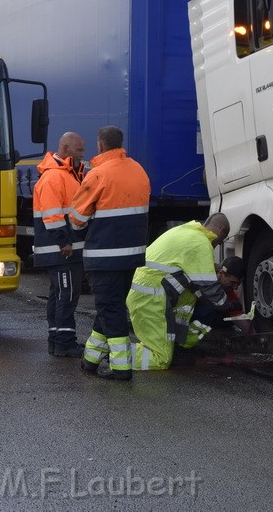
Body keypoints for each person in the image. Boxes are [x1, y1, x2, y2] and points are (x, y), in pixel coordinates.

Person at [70, 126, 150, 381]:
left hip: (104, 257)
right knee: (110, 307)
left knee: (111, 309)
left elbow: (77, 220)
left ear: (100, 145)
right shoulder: (139, 170)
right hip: (132, 256)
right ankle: (90, 360)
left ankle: (120, 368)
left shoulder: (98, 174)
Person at [126, 214, 234, 371]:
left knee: (164, 348)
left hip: (146, 294)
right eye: (222, 240)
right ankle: (118, 355)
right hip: (150, 298)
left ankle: (119, 353)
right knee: (161, 359)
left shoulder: (185, 231)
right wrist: (227, 304)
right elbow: (209, 286)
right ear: (221, 230)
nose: (219, 244)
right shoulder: (201, 243)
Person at [32, 131, 87, 357]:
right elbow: (52, 216)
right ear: (65, 149)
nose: (83, 155)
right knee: (67, 295)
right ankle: (64, 342)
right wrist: (65, 242)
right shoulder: (55, 177)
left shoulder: (66, 174)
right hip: (62, 250)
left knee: (59, 294)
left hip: (60, 249)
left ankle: (57, 339)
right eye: (79, 150)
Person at [193, 255, 245, 329]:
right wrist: (234, 306)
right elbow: (222, 305)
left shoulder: (226, 285)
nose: (235, 287)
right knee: (212, 313)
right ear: (221, 273)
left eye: (238, 283)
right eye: (232, 282)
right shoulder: (207, 277)